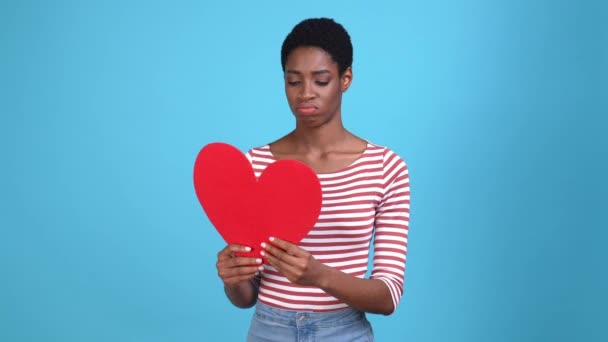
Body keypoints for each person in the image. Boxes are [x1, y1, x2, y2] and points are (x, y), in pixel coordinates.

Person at [215, 18, 410, 341]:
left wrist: (320, 275)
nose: (306, 94)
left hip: (344, 331)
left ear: (345, 78)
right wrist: (233, 278)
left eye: (321, 80)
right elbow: (245, 298)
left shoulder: (386, 167)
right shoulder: (254, 164)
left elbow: (388, 296)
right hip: (268, 330)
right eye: (294, 82)